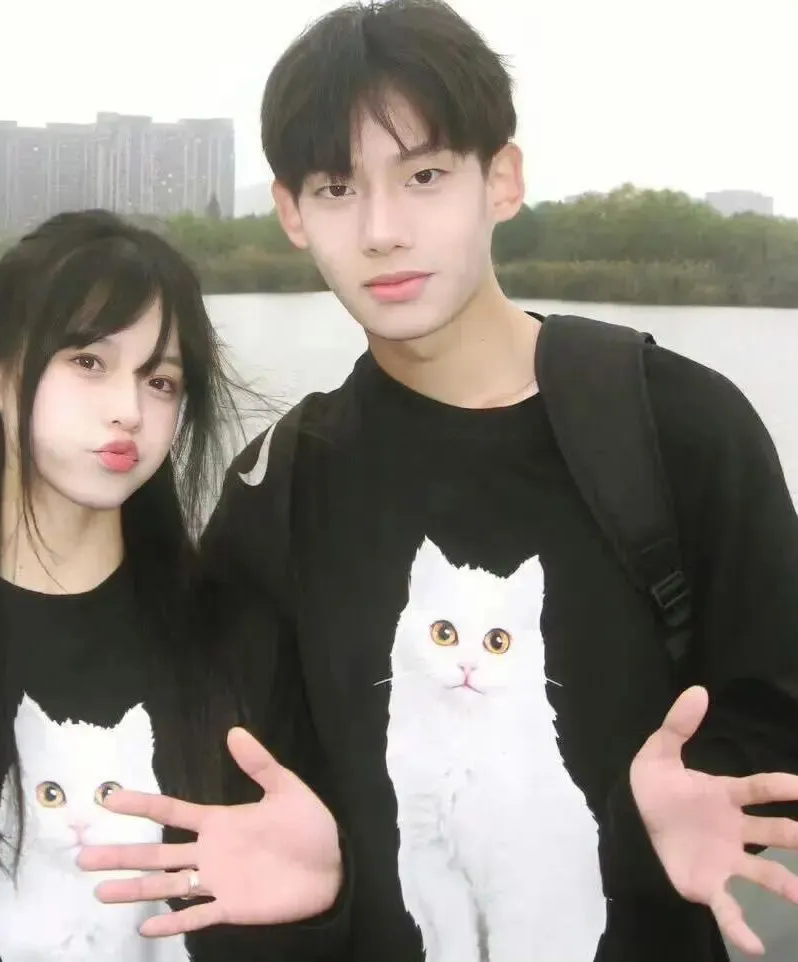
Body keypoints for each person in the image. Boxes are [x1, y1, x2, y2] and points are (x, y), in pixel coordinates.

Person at [78, 2, 798, 961]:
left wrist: (688, 805)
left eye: (424, 176)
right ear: (292, 213)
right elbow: (246, 788)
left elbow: (775, 705)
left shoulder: (679, 427)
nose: (382, 231)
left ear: (502, 178)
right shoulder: (281, 489)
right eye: (338, 188)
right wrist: (308, 895)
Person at [0, 210, 344, 962]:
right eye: (87, 361)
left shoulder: (243, 642)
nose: (128, 411)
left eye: (160, 381)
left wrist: (327, 903)